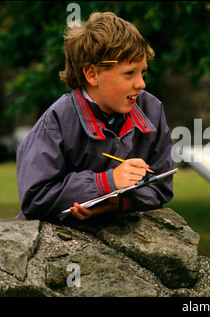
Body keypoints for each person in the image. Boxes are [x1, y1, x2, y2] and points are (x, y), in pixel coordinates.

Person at [16, 12, 174, 221]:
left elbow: (161, 188)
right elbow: (35, 198)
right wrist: (105, 183)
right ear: (92, 74)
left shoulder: (152, 110)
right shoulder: (57, 121)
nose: (141, 84)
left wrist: (119, 203)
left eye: (143, 73)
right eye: (129, 73)